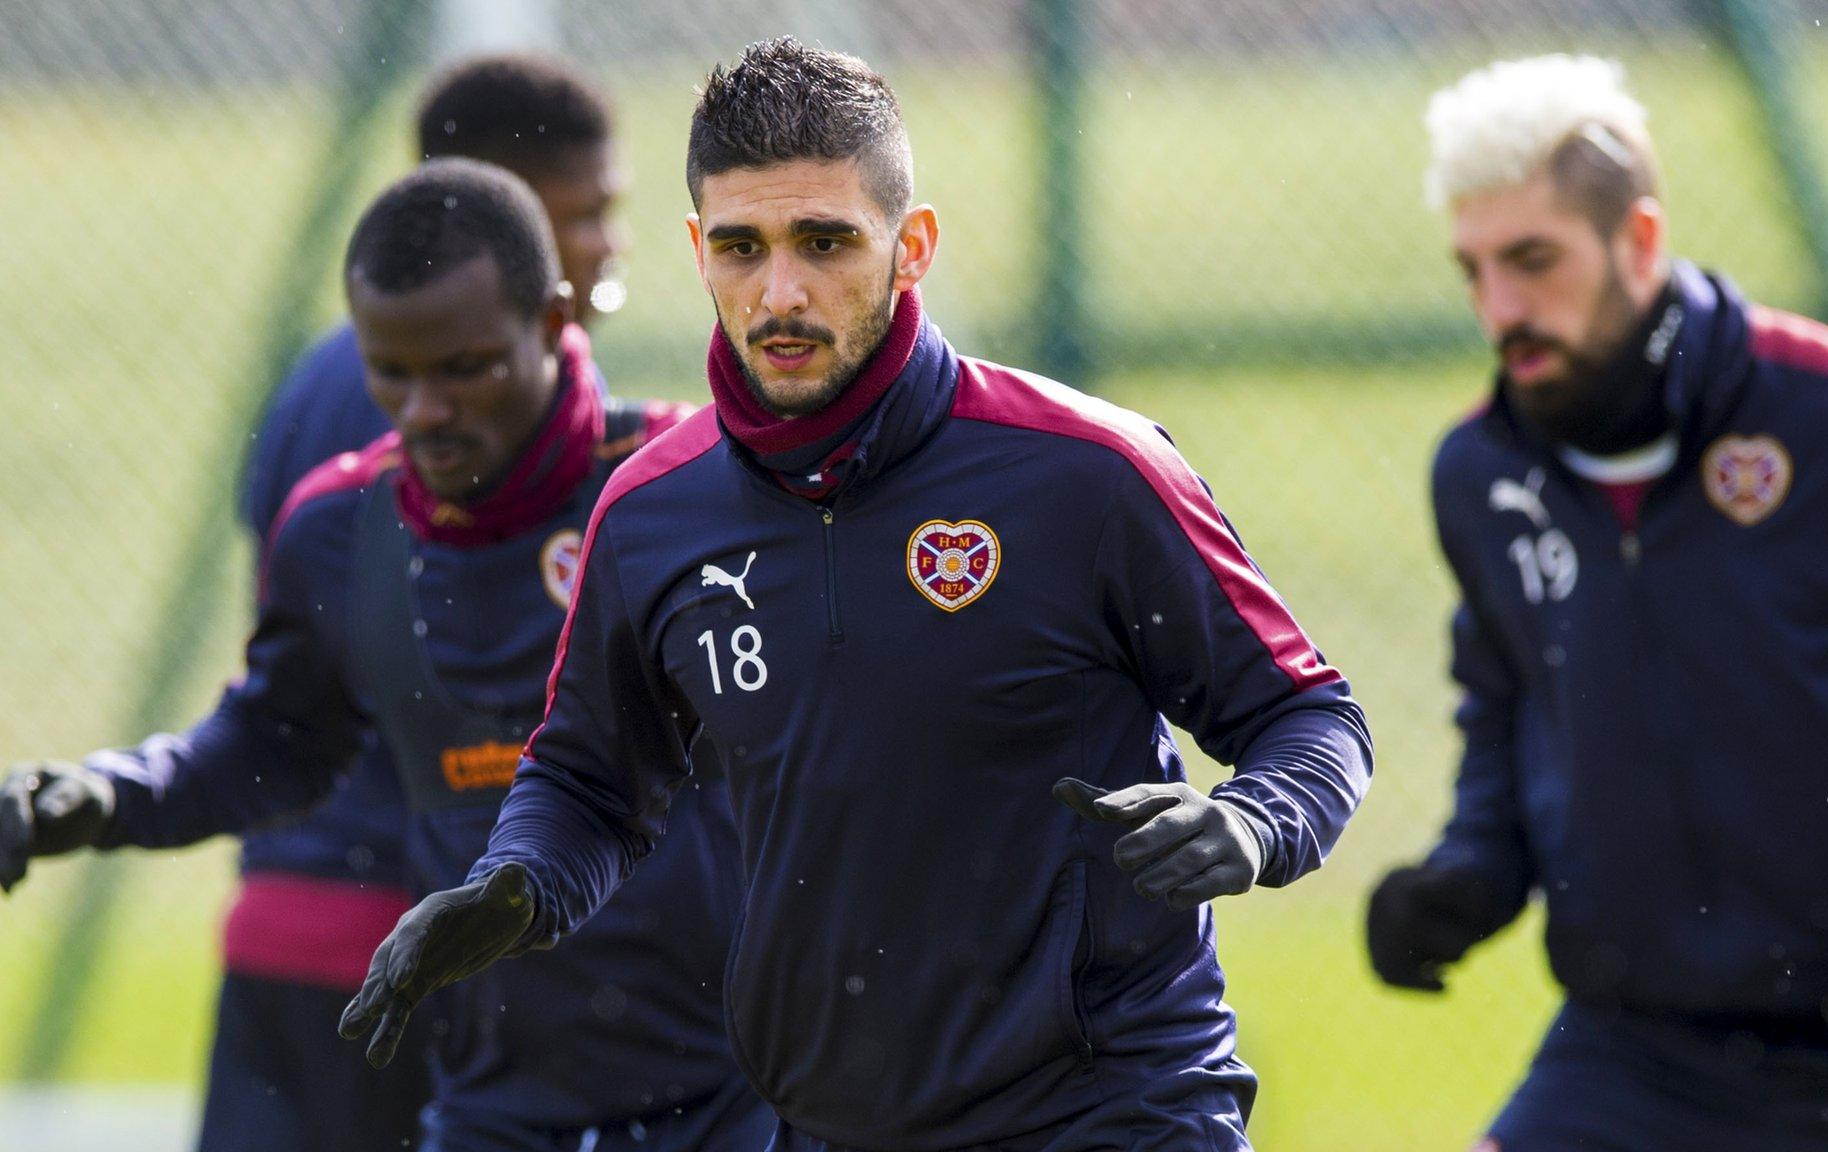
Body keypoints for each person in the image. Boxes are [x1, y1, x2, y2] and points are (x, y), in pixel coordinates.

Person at [338, 38, 1372, 1152]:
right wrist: (515, 889)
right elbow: (591, 781)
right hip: (833, 1125)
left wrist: (1254, 822)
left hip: (1112, 1112)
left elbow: (1308, 715)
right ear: (696, 250)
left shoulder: (1086, 472)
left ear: (909, 245)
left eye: (823, 242)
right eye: (740, 248)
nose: (778, 292)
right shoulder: (652, 516)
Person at [0, 160, 772, 1152]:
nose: (423, 410)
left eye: (464, 367)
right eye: (391, 372)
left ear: (550, 321)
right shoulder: (338, 528)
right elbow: (276, 740)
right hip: (491, 1110)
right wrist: (107, 797)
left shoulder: (694, 486)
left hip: (737, 1101)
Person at [1364, 54, 1828, 1151]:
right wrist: (1469, 874)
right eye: (1473, 269)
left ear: (1636, 240)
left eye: (1532, 261)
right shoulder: (1479, 473)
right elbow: (1510, 704)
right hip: (1640, 1056)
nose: (1500, 310)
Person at [211, 53, 629, 1152]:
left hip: (300, 916)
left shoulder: (327, 377)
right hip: (393, 939)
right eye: (585, 212)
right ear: (503, 212)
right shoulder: (438, 406)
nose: (605, 245)